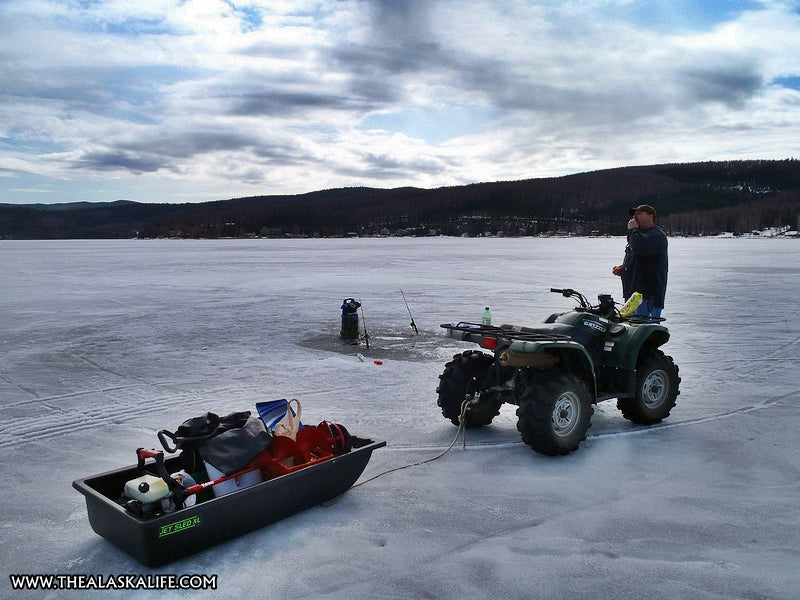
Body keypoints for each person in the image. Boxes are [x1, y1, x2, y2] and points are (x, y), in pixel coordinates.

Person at [612, 204, 668, 318]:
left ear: (650, 217)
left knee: (644, 332)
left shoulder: (657, 236)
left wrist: (632, 230)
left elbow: (640, 247)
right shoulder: (639, 236)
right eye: (634, 215)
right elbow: (640, 258)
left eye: (639, 214)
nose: (634, 217)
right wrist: (624, 269)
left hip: (647, 298)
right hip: (633, 298)